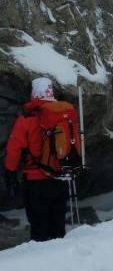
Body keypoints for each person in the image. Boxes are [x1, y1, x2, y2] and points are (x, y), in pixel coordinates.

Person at [3, 76, 80, 242]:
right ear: (51, 91)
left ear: (34, 93)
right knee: (58, 228)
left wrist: (9, 173)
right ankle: (62, 261)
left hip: (35, 182)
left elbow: (14, 149)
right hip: (59, 178)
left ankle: (42, 263)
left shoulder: (27, 119)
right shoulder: (63, 114)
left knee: (39, 230)